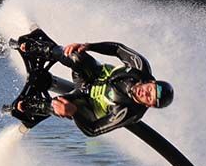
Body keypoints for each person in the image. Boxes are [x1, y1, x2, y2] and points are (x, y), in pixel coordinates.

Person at [20, 39, 174, 136]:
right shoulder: (139, 66)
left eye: (149, 98)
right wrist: (88, 46)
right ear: (152, 82)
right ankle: (43, 49)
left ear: (148, 105)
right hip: (91, 75)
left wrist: (73, 113)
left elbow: (93, 130)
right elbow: (118, 49)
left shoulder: (129, 113)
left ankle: (39, 106)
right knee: (77, 56)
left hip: (86, 103)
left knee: (62, 105)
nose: (145, 93)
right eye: (150, 89)